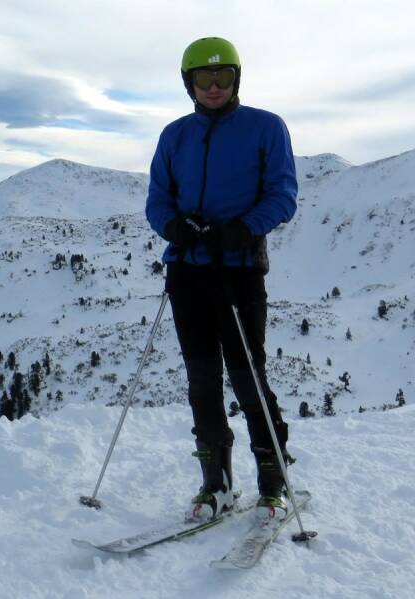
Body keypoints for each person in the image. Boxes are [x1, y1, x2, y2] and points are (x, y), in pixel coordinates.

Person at [145, 37, 298, 521]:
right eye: (203, 79)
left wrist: (240, 230)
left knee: (249, 378)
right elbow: (157, 199)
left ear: (236, 79)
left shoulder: (265, 128)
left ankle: (272, 483)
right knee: (201, 381)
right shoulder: (175, 135)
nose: (213, 87)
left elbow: (283, 194)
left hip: (239, 271)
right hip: (188, 270)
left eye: (223, 78)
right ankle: (216, 486)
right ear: (187, 83)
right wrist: (175, 227)